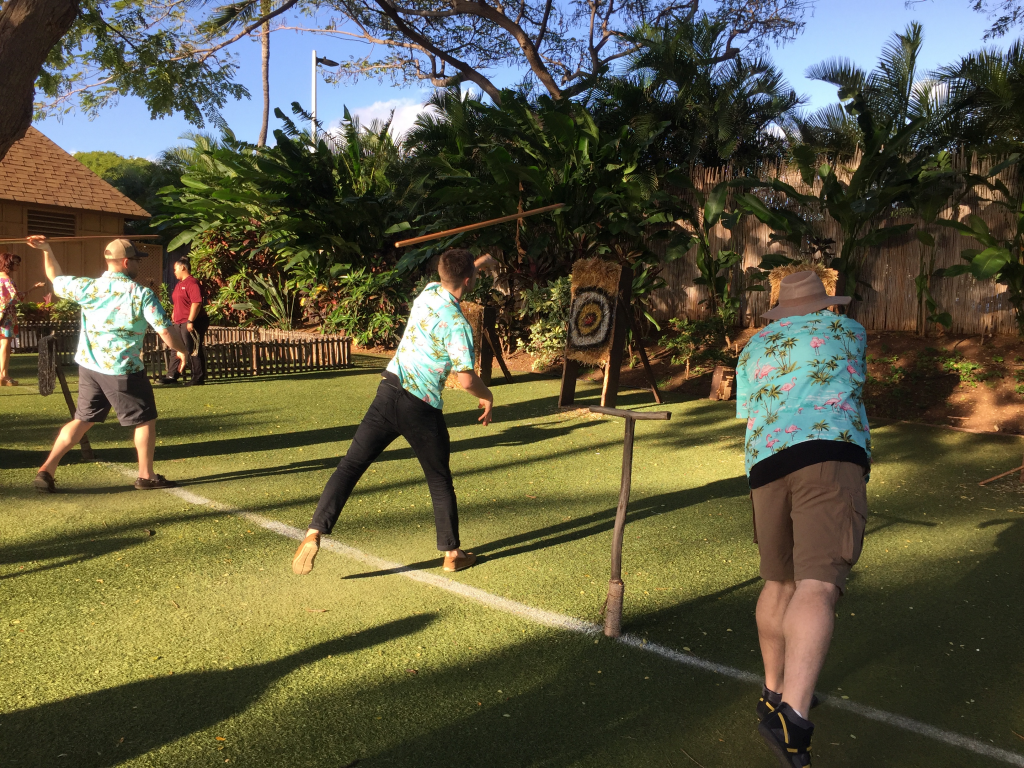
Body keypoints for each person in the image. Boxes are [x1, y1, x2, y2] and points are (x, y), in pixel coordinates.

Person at [735, 270, 871, 767]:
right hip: (829, 456)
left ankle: (773, 694)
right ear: (823, 302)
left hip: (766, 465)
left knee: (779, 583)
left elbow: (748, 410)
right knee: (817, 585)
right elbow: (852, 382)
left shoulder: (751, 350)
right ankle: (793, 719)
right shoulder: (848, 332)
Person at [292, 248, 496, 576]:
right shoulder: (458, 323)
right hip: (421, 407)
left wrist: (478, 263)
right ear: (469, 281)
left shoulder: (428, 294)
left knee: (350, 466)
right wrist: (487, 396)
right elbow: (467, 379)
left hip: (388, 391)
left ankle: (314, 531)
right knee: (439, 479)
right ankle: (451, 554)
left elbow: (453, 276)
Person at [26, 236, 189, 492]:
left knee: (82, 420)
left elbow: (55, 278)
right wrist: (183, 351)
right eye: (136, 260)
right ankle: (146, 476)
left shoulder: (88, 287)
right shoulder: (141, 294)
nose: (138, 264)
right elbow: (166, 331)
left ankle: (46, 470)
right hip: (123, 369)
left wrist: (46, 250)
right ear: (126, 262)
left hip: (90, 368)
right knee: (145, 420)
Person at [160, 256, 208, 386]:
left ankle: (197, 378)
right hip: (179, 321)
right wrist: (174, 317)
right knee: (175, 347)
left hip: (193, 321)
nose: (174, 272)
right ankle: (172, 375)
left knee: (192, 348)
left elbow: (196, 303)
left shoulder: (192, 283)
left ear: (183, 267)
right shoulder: (179, 285)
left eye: (175, 269)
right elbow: (177, 304)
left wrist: (190, 321)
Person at [0, 251, 45, 386]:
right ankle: (3, 375)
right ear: (9, 264)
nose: (18, 266)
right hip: (6, 316)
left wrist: (33, 288)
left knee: (3, 345)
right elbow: (15, 297)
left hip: (3, 314)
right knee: (5, 345)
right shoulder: (7, 279)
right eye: (16, 263)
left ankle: (3, 374)